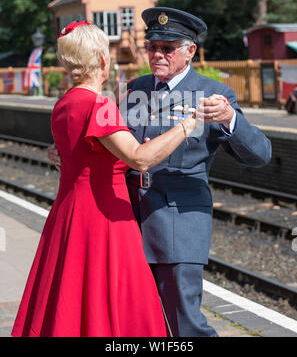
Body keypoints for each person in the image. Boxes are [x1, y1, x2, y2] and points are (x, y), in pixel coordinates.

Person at [48, 8, 272, 337]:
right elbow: (112, 144)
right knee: (135, 322)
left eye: (167, 49)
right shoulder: (134, 88)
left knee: (185, 323)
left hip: (178, 223)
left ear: (190, 51)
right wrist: (71, 153)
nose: (157, 55)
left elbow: (260, 155)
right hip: (126, 223)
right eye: (152, 46)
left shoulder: (214, 94)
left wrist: (228, 120)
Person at [11, 20, 204, 338]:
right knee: (115, 303)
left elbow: (74, 151)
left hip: (69, 214)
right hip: (105, 218)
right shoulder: (99, 105)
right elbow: (140, 158)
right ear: (102, 60)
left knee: (73, 300)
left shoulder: (64, 103)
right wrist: (187, 124)